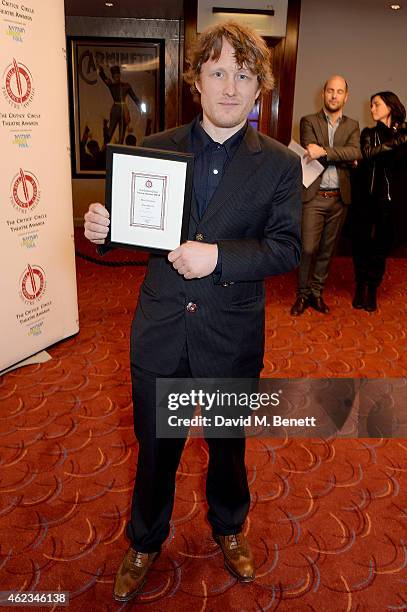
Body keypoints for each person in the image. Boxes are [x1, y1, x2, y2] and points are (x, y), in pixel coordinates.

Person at [84, 22, 301, 603]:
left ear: (259, 88)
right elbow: (129, 228)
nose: (231, 87)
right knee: (156, 450)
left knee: (229, 448)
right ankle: (145, 539)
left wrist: (219, 257)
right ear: (197, 81)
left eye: (244, 75)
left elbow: (286, 247)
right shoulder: (154, 148)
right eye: (218, 72)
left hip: (230, 334)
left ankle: (229, 528)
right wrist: (103, 231)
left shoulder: (279, 164)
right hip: (161, 331)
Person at [290, 75, 361, 316]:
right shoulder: (308, 121)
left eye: (339, 91)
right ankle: (302, 294)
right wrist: (343, 156)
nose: (334, 95)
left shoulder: (353, 126)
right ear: (324, 93)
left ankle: (316, 293)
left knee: (327, 251)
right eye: (330, 90)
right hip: (314, 196)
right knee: (308, 248)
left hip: (339, 198)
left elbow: (356, 151)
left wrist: (327, 151)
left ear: (346, 96)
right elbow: (312, 150)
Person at [351, 91, 407, 311]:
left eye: (376, 105)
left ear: (390, 107)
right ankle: (359, 286)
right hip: (367, 198)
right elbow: (368, 153)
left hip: (390, 200)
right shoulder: (369, 133)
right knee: (361, 245)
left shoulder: (404, 134)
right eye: (371, 105)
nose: (372, 109)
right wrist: (397, 141)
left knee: (381, 247)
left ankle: (372, 288)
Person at [99, 64, 141, 144]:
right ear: (113, 76)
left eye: (118, 75)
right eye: (115, 76)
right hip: (115, 109)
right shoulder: (111, 85)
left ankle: (118, 150)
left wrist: (140, 107)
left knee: (122, 135)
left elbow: (134, 97)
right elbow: (104, 78)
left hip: (123, 111)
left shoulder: (126, 86)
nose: (116, 77)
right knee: (110, 132)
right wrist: (101, 72)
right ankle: (105, 149)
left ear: (120, 75)